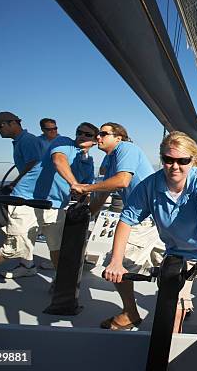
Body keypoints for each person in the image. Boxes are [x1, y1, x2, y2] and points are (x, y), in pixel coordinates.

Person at [103, 131, 197, 335]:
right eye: (168, 159)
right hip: (177, 254)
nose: (175, 166)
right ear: (161, 158)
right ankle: (171, 348)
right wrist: (116, 261)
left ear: (194, 160)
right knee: (173, 305)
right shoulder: (149, 185)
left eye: (183, 160)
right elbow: (126, 220)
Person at [0, 123, 98, 299]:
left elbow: (86, 188)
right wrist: (74, 183)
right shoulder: (64, 143)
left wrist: (85, 205)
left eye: (87, 134)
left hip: (54, 206)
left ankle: (59, 281)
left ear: (95, 140)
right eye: (79, 132)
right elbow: (59, 161)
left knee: (57, 247)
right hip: (27, 201)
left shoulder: (88, 162)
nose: (81, 136)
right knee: (13, 249)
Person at [73, 122, 165, 331]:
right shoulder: (109, 159)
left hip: (146, 218)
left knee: (117, 266)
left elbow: (122, 181)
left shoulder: (126, 149)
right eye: (98, 134)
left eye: (104, 134)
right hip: (146, 216)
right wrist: (87, 215)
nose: (98, 137)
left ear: (119, 137)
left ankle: (131, 314)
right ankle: (177, 303)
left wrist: (86, 187)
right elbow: (104, 192)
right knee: (168, 262)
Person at [0, 112, 42, 193]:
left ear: (13, 123)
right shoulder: (21, 141)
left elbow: (34, 166)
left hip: (36, 193)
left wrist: (12, 185)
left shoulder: (27, 140)